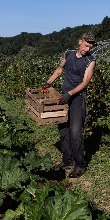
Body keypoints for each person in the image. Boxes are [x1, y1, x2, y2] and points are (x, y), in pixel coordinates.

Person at [41, 33, 96, 178]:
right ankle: (67, 160)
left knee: (76, 132)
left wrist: (70, 94)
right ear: (80, 41)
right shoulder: (69, 54)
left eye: (90, 46)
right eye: (86, 45)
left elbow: (85, 82)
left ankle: (80, 165)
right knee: (63, 130)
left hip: (77, 98)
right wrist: (48, 82)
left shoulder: (90, 61)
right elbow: (60, 69)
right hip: (64, 96)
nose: (87, 49)